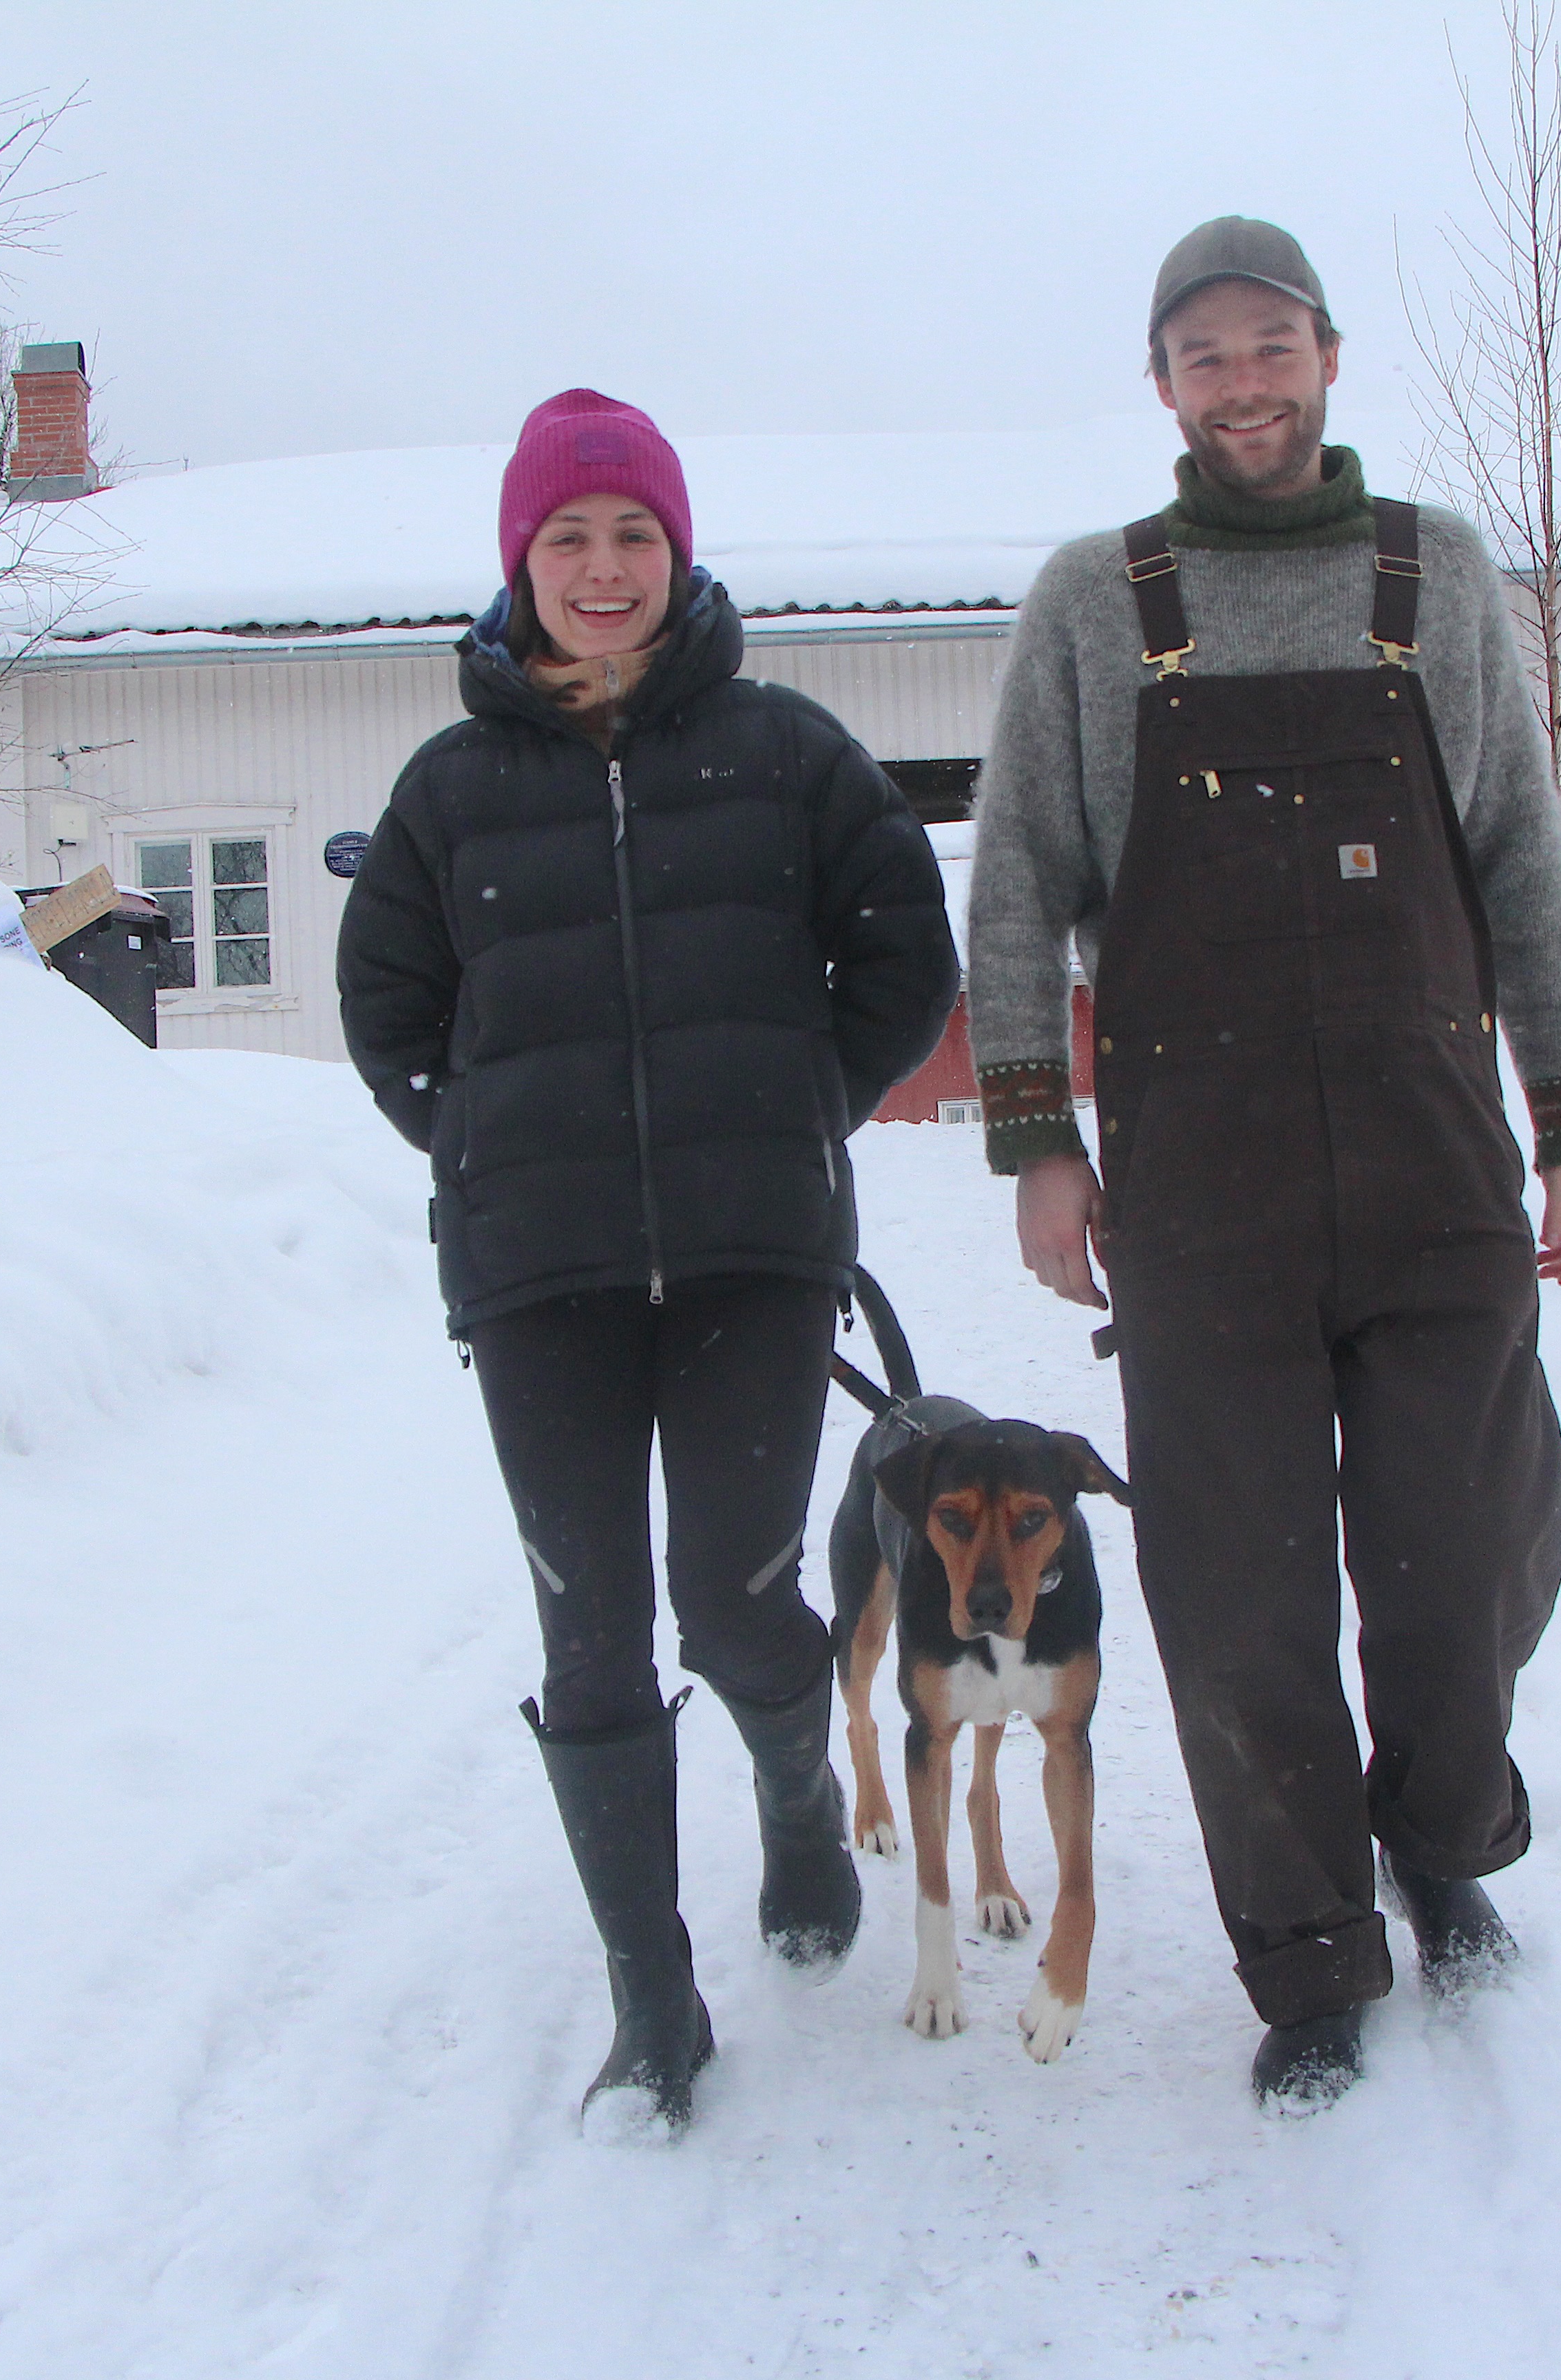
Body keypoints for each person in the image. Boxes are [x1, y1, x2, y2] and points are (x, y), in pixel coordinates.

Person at [964, 220, 1561, 2110]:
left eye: (1271, 343)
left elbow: (1517, 864)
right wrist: (1039, 1145)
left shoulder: (1435, 575)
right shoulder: (1101, 601)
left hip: (1434, 1164)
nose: (1242, 380)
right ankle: (1312, 1960)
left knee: (1462, 1556)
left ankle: (1442, 1842)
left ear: (1329, 355)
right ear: (1161, 386)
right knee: (1241, 1605)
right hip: (1203, 1188)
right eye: (1204, 353)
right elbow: (1018, 883)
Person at [337, 389, 958, 2132]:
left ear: (677, 555)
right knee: (591, 1627)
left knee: (738, 1596)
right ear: (519, 565)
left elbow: (898, 943)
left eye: (633, 536)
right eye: (566, 539)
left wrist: (801, 1105)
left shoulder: (781, 750)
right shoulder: (453, 790)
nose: (601, 570)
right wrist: (477, 1146)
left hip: (754, 1263)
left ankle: (794, 1798)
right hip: (544, 1281)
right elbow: (386, 1004)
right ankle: (652, 2000)